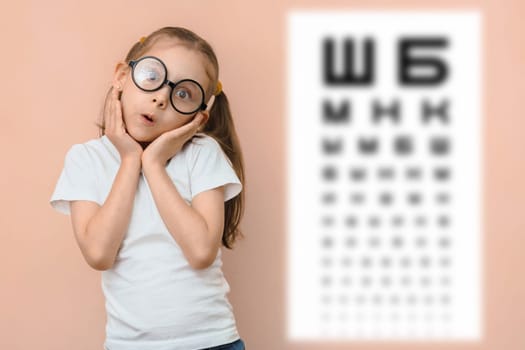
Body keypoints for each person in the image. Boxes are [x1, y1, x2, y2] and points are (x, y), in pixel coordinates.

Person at [49, 27, 246, 350]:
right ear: (121, 76)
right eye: (152, 76)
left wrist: (154, 165)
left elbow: (200, 252)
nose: (161, 98)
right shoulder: (86, 159)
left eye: (183, 94)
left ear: (200, 115)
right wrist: (130, 160)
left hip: (211, 342)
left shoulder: (202, 154)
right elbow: (98, 253)